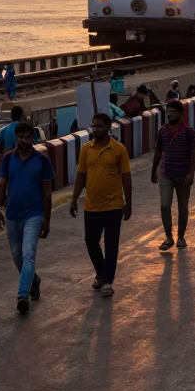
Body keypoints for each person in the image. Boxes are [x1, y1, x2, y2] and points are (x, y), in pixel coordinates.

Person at [69, 112, 132, 298]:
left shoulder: (119, 150)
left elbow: (126, 177)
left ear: (108, 128)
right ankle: (101, 271)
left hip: (113, 206)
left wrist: (128, 203)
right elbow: (80, 176)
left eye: (100, 126)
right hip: (91, 206)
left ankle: (107, 281)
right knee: (90, 241)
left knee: (111, 245)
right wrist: (73, 200)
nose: (96, 130)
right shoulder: (86, 150)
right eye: (94, 126)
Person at [0, 122, 54, 313]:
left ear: (32, 138)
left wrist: (47, 218)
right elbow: (2, 184)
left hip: (34, 214)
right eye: (21, 137)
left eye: (28, 137)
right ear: (16, 138)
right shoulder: (8, 159)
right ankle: (34, 280)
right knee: (17, 256)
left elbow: (47, 192)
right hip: (12, 214)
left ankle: (22, 295)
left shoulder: (42, 160)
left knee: (28, 254)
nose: (24, 140)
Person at [151, 99, 195, 251]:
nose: (169, 114)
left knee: (182, 207)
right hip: (166, 174)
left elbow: (194, 153)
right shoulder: (163, 131)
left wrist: (191, 173)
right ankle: (168, 237)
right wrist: (153, 169)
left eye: (172, 111)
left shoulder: (189, 132)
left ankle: (181, 237)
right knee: (165, 204)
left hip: (183, 175)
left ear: (180, 113)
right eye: (168, 111)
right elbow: (158, 150)